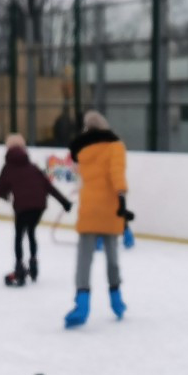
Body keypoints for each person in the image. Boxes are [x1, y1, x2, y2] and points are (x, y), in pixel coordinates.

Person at [64, 110, 132, 328]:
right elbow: (117, 173)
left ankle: (82, 303)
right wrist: (121, 196)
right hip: (110, 209)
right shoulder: (115, 146)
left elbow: (77, 171)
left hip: (89, 208)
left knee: (84, 259)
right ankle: (116, 298)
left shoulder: (82, 149)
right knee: (112, 257)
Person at [0, 133, 72, 287]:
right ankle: (34, 262)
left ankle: (19, 267)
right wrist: (64, 202)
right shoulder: (33, 167)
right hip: (39, 205)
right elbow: (48, 186)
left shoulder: (8, 168)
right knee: (31, 232)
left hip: (22, 207)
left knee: (19, 236)